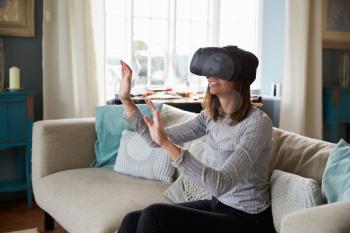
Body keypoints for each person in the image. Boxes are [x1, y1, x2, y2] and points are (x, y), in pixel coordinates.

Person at [117, 45, 275, 233]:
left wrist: (167, 144)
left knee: (154, 215)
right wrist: (126, 99)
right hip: (219, 206)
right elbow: (155, 140)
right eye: (209, 71)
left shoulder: (257, 123)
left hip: (247, 220)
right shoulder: (211, 116)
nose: (211, 76)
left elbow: (220, 183)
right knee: (132, 219)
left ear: (240, 79)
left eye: (220, 70)